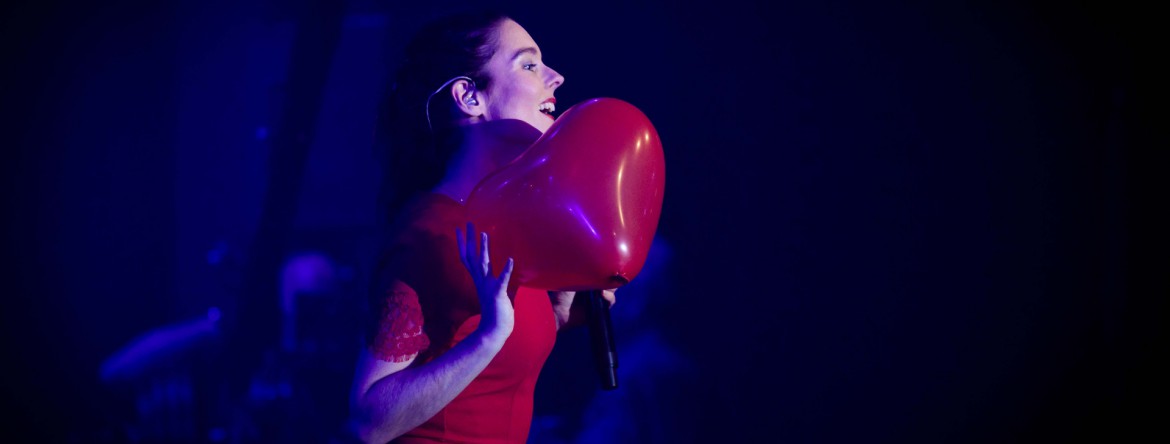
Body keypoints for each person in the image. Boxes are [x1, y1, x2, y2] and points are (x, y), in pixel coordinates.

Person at [347, 12, 616, 444]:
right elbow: (367, 422)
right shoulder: (429, 234)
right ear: (469, 97)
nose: (557, 77)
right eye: (529, 64)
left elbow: (470, 337)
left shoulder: (506, 227)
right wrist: (489, 338)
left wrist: (558, 315)